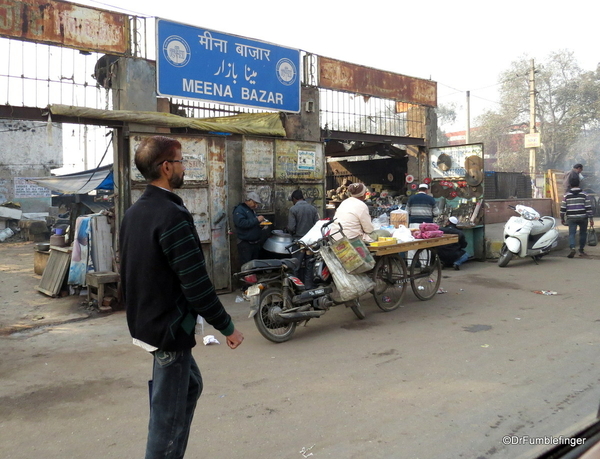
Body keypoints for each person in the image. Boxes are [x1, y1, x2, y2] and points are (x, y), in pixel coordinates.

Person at [119, 135, 244, 459]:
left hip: (147, 323)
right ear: (165, 167)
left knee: (190, 386)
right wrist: (227, 327)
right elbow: (197, 285)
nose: (184, 167)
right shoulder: (172, 216)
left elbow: (127, 272)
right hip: (169, 329)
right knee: (167, 425)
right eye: (181, 161)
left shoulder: (134, 213)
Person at [287, 189, 320, 286]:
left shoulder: (293, 209)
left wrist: (289, 230)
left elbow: (291, 227)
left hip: (298, 241)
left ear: (294, 199)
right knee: (309, 265)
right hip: (311, 242)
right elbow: (317, 225)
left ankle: (296, 286)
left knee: (295, 265)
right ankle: (308, 286)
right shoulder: (313, 208)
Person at [560, 174, 594, 258]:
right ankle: (581, 250)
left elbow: (563, 208)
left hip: (571, 218)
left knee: (572, 234)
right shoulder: (584, 195)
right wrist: (591, 218)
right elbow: (588, 207)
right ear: (579, 184)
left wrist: (562, 218)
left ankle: (572, 247)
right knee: (583, 233)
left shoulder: (567, 195)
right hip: (583, 217)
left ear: (570, 185)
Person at [233, 191, 265, 266]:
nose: (256, 206)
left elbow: (251, 223)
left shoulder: (251, 210)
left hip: (255, 243)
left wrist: (259, 225)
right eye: (255, 203)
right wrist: (257, 220)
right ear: (249, 200)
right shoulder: (239, 210)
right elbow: (241, 223)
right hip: (245, 244)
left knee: (254, 265)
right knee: (247, 266)